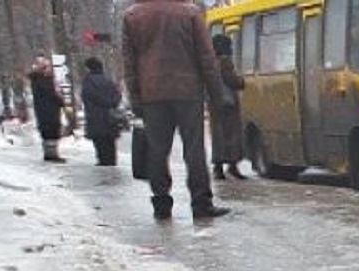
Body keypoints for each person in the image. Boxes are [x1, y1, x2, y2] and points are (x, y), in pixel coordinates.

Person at [122, 0, 230, 220]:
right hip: (188, 91)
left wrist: (135, 96)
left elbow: (129, 61)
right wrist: (217, 93)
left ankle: (161, 203)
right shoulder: (190, 13)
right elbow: (206, 56)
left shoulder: (132, 16)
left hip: (151, 93)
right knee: (194, 149)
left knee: (157, 151)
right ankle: (201, 203)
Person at [209, 34, 247, 181]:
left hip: (214, 103)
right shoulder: (225, 62)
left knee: (218, 136)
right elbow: (232, 80)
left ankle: (218, 167)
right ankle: (232, 166)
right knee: (232, 135)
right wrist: (241, 81)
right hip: (228, 103)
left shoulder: (210, 62)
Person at [80, 57, 122, 167]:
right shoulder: (108, 80)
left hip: (95, 117)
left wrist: (103, 103)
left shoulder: (88, 82)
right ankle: (112, 162)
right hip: (110, 117)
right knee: (110, 143)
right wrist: (112, 103)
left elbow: (88, 96)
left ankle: (103, 163)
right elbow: (118, 95)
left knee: (100, 144)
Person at [27, 55, 66, 163]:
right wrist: (60, 100)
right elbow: (51, 95)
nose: (50, 69)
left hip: (44, 110)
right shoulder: (43, 80)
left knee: (48, 131)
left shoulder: (37, 80)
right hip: (49, 110)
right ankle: (52, 155)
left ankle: (50, 153)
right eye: (47, 67)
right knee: (51, 131)